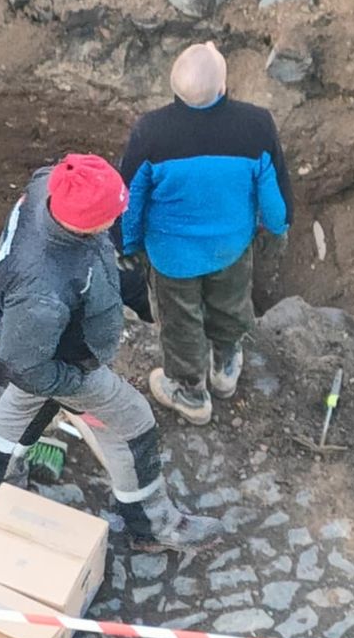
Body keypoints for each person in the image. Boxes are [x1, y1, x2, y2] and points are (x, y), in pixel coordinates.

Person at [0, 153, 223, 554]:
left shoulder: (48, 186)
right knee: (133, 424)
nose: (120, 215)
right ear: (88, 222)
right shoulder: (44, 289)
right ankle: (150, 525)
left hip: (44, 341)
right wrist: (75, 382)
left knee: (25, 402)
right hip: (64, 359)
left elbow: (26, 362)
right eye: (114, 211)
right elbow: (25, 365)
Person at [117, 42, 292, 425]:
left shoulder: (151, 133)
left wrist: (126, 244)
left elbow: (130, 198)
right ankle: (225, 367)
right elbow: (273, 192)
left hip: (172, 256)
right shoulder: (256, 126)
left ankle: (191, 392)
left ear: (174, 87)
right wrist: (277, 229)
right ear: (223, 85)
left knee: (181, 322)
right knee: (228, 304)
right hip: (229, 248)